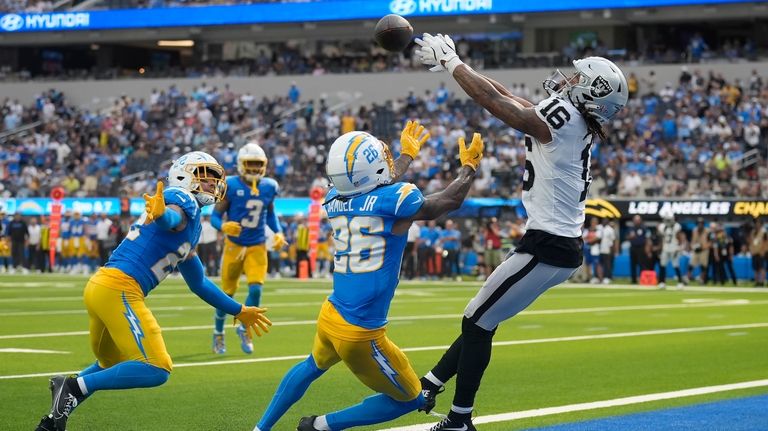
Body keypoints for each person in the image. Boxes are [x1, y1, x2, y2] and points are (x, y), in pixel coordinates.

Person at [414, 33, 628, 430]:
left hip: (548, 245)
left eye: (577, 80)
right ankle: (432, 382)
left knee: (476, 320)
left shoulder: (564, 120)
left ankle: (460, 419)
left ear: (591, 94)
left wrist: (452, 64)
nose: (567, 81)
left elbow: (498, 106)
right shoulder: (576, 119)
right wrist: (459, 63)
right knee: (482, 318)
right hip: (555, 245)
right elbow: (507, 95)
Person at [253, 122, 483, 431]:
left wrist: (407, 156)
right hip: (360, 331)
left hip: (332, 312)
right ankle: (321, 426)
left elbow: (371, 183)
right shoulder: (396, 200)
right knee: (411, 399)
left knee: (312, 365)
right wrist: (468, 167)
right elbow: (448, 201)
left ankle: (261, 428)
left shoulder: (334, 198)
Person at [35, 151, 271, 431]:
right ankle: (70, 386)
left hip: (101, 287)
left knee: (110, 364)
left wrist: (239, 310)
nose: (213, 185)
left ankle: (52, 421)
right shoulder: (183, 201)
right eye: (206, 179)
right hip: (120, 289)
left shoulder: (193, 226)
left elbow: (199, 283)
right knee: (157, 368)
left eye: (215, 180)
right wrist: (161, 216)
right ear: (185, 176)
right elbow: (171, 217)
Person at [210, 143, 287, 355]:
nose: (254, 169)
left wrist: (278, 232)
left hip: (257, 245)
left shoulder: (269, 186)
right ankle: (218, 332)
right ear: (241, 165)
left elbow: (269, 213)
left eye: (257, 165)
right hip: (234, 246)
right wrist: (223, 226)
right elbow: (215, 216)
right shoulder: (231, 185)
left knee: (256, 290)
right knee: (227, 293)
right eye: (250, 164)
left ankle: (244, 327)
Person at [657, 208, 686, 289]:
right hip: (666, 247)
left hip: (674, 248)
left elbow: (680, 237)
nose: (668, 221)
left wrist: (679, 247)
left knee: (675, 265)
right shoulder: (663, 226)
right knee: (662, 265)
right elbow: (661, 237)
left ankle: (680, 282)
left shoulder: (676, 226)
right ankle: (662, 282)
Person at [688, 218, 710, 284]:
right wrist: (692, 247)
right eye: (699, 223)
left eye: (701, 223)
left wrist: (703, 247)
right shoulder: (694, 230)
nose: (700, 225)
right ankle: (688, 278)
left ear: (703, 224)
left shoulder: (707, 231)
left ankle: (702, 279)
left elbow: (710, 242)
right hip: (696, 250)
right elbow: (692, 240)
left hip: (704, 250)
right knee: (691, 264)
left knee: (703, 266)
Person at [627, 215, 648, 284]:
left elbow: (647, 238)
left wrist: (646, 248)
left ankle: (642, 279)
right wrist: (630, 237)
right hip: (633, 247)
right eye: (635, 220)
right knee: (633, 264)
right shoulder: (631, 228)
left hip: (641, 248)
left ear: (640, 220)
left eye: (638, 220)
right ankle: (633, 280)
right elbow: (627, 237)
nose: (636, 221)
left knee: (642, 264)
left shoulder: (643, 228)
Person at [599, 218, 617, 284]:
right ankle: (600, 277)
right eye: (603, 221)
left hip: (607, 250)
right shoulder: (599, 228)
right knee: (600, 264)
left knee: (607, 264)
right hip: (600, 250)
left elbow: (613, 240)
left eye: (605, 221)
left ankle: (607, 277)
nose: (604, 222)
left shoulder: (610, 230)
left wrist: (613, 250)